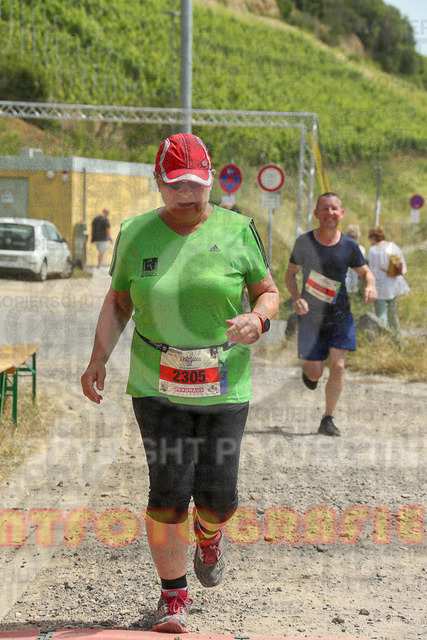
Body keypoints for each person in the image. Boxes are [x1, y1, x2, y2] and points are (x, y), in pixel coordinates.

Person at [81, 133, 279, 633]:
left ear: (210, 180)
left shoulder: (238, 229)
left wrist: (258, 318)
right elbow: (119, 301)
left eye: (195, 183)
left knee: (219, 498)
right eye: (176, 185)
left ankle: (210, 534)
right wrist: (98, 358)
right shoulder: (136, 233)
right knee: (168, 492)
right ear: (158, 183)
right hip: (157, 383)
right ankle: (173, 597)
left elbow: (268, 291)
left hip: (223, 383)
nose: (186, 194)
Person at [285, 192, 377, 437]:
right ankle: (309, 373)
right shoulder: (304, 242)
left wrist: (370, 285)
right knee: (315, 372)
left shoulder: (349, 246)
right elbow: (290, 273)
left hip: (340, 316)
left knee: (337, 366)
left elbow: (366, 273)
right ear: (316, 213)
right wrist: (296, 298)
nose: (330, 213)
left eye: (334, 208)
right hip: (311, 319)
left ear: (342, 213)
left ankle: (328, 418)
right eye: (325, 208)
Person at [367, 225, 410, 334]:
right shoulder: (393, 246)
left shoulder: (373, 250)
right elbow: (402, 266)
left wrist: (369, 285)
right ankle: (396, 335)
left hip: (380, 285)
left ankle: (383, 336)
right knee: (392, 312)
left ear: (373, 237)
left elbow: (372, 271)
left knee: (381, 312)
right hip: (394, 283)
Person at [345, 224, 366, 294]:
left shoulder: (339, 247)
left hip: (341, 284)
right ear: (357, 237)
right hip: (354, 283)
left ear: (346, 235)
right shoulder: (361, 249)